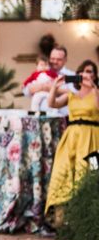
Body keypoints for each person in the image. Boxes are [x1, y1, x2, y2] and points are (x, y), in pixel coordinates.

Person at [45, 59, 99, 227]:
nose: (87, 74)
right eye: (84, 71)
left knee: (88, 176)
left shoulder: (97, 92)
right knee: (64, 174)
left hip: (92, 139)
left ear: (95, 75)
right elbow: (52, 103)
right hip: (71, 139)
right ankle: (64, 221)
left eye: (90, 72)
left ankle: (87, 221)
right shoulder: (71, 95)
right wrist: (55, 86)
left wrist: (94, 88)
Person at [23, 44, 76, 115]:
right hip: (41, 115)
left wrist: (49, 88)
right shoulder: (42, 71)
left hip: (62, 116)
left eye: (59, 59)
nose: (55, 61)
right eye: (52, 58)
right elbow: (26, 91)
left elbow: (74, 93)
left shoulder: (71, 75)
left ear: (65, 60)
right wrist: (31, 89)